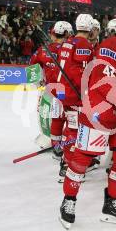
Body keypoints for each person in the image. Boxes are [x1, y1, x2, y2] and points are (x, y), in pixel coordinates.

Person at [58, 11, 116, 228]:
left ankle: (111, 203)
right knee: (82, 159)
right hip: (99, 111)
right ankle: (68, 201)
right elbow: (103, 83)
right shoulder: (111, 46)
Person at [52, 14, 94, 182]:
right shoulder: (85, 45)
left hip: (63, 92)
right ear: (89, 28)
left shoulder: (66, 43)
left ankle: (65, 161)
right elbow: (82, 73)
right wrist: (86, 93)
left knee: (71, 127)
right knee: (75, 131)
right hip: (74, 94)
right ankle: (67, 167)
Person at [30, 21, 70, 159]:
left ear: (53, 33)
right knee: (71, 120)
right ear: (67, 34)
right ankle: (69, 145)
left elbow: (31, 66)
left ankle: (56, 146)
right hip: (67, 92)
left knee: (54, 119)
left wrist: (37, 83)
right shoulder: (70, 50)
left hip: (49, 91)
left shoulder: (43, 50)